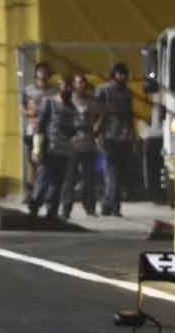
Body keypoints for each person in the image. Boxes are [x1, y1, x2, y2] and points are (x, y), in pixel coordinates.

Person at [28, 75, 80, 221]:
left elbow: (74, 128)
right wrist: (37, 147)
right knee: (43, 179)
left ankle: (52, 211)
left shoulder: (72, 108)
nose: (68, 90)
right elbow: (39, 124)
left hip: (64, 150)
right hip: (49, 148)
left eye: (70, 87)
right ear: (59, 88)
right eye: (65, 86)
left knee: (57, 182)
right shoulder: (49, 102)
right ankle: (34, 207)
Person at [95, 62, 138, 216]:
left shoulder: (126, 93)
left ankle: (109, 204)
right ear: (114, 74)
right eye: (120, 73)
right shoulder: (104, 90)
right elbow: (97, 113)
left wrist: (132, 134)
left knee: (116, 173)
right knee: (112, 172)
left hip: (122, 136)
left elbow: (129, 115)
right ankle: (113, 205)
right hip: (108, 135)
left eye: (124, 74)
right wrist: (97, 133)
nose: (123, 76)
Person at [59, 74, 102, 218]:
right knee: (69, 178)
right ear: (73, 85)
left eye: (83, 82)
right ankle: (66, 208)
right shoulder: (68, 100)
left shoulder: (92, 101)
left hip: (88, 143)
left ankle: (90, 207)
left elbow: (101, 115)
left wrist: (97, 128)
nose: (81, 85)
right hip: (72, 143)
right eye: (78, 83)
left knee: (89, 178)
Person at [20, 62, 54, 194]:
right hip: (32, 130)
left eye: (45, 72)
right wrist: (30, 112)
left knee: (46, 163)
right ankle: (30, 191)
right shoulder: (28, 90)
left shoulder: (53, 91)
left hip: (49, 131)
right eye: (40, 71)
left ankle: (43, 190)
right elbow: (22, 108)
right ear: (36, 74)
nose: (43, 74)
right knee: (32, 162)